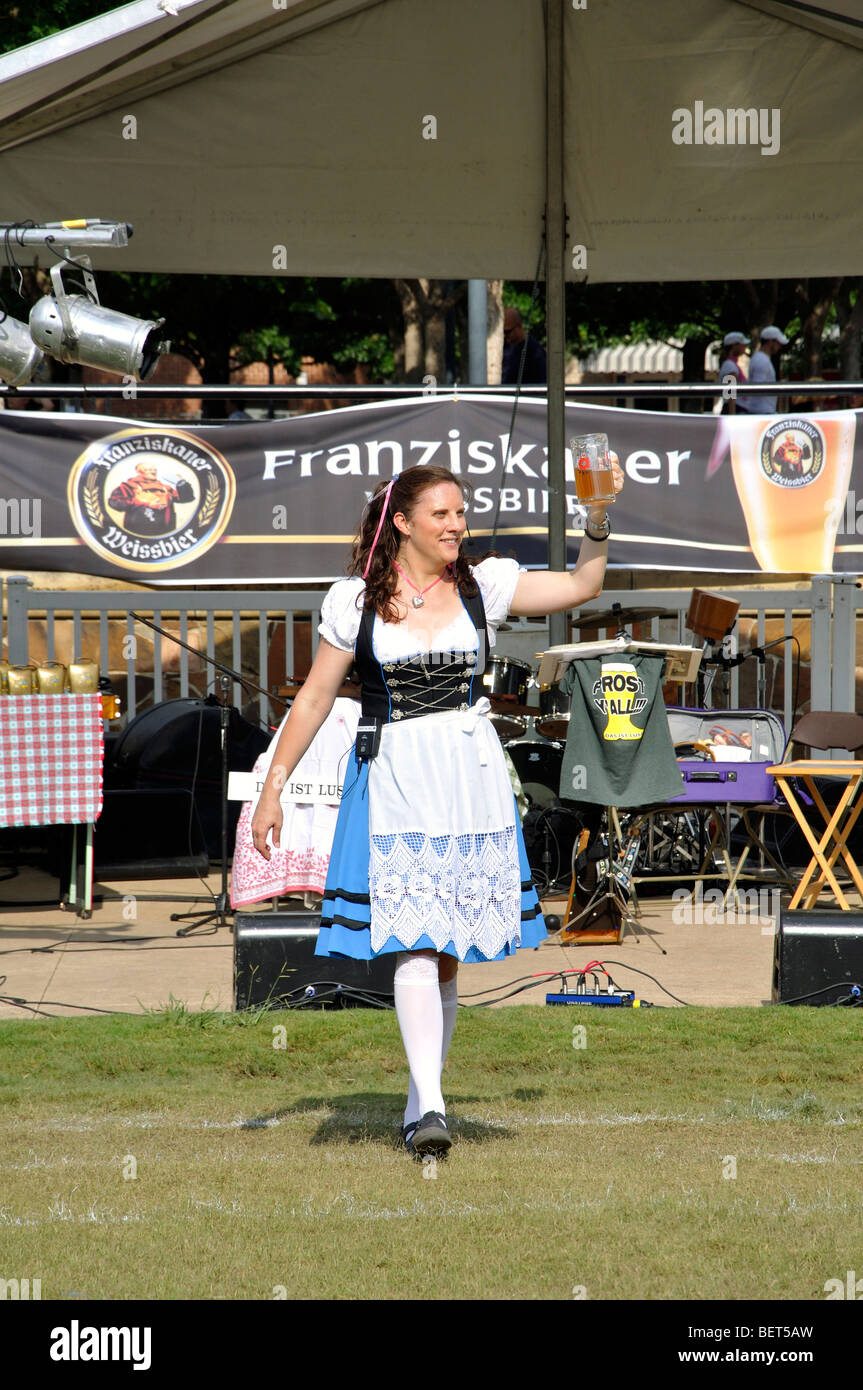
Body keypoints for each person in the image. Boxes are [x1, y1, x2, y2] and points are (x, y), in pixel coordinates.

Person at [251, 461, 623, 1160]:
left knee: (447, 948)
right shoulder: (354, 601)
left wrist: (596, 517)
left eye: (461, 513)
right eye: (442, 515)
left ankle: (424, 1100)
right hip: (394, 774)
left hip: (467, 772)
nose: (456, 525)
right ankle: (430, 1108)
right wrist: (273, 786)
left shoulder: (483, 585)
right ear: (401, 523)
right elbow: (312, 698)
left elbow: (582, 584)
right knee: (413, 936)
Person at [747, 325, 789, 414]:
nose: (779, 347)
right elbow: (757, 387)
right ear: (770, 342)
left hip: (763, 410)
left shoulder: (761, 358)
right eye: (778, 343)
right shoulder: (762, 360)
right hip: (761, 411)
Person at [501, 308, 547, 385]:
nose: (505, 336)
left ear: (519, 326)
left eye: (507, 332)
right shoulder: (506, 348)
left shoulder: (534, 351)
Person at [717, 332, 749, 414]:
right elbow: (730, 394)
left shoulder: (731, 365)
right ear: (734, 345)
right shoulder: (729, 366)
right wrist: (732, 415)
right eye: (742, 344)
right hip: (734, 409)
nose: (745, 346)